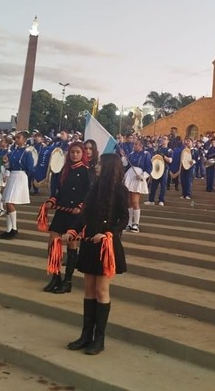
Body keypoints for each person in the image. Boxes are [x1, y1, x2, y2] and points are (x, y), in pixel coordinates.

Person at [67, 153, 129, 355]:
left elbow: (123, 219)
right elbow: (85, 213)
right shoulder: (94, 188)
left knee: (101, 290)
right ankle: (86, 335)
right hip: (90, 244)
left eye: (101, 163)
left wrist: (108, 233)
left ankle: (99, 339)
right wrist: (73, 230)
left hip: (106, 245)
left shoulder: (120, 190)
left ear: (109, 166)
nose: (97, 166)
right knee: (88, 290)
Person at [45, 142, 91, 293]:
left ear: (82, 153)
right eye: (72, 152)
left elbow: (89, 193)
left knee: (72, 246)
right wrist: (53, 200)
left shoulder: (86, 172)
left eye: (77, 152)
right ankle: (55, 276)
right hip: (62, 212)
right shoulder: (64, 170)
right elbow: (59, 190)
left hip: (76, 215)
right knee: (53, 243)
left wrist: (81, 206)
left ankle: (68, 281)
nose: (74, 155)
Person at [0, 131, 34, 240]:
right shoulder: (12, 152)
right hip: (13, 175)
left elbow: (30, 168)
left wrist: (25, 177)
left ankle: (14, 228)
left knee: (10, 203)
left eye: (19, 138)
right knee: (8, 203)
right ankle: (9, 229)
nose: (16, 139)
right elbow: (9, 166)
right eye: (16, 138)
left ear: (25, 139)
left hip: (20, 176)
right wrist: (5, 162)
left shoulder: (27, 152)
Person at [123, 138, 152, 232]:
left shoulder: (146, 154)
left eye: (136, 144)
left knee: (135, 201)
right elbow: (126, 165)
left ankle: (136, 224)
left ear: (141, 146)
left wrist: (143, 176)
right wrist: (124, 157)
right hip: (130, 177)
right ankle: (129, 222)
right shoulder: (131, 154)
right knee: (129, 202)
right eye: (134, 144)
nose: (134, 146)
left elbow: (149, 168)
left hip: (138, 177)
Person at [146, 136, 172, 205]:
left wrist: (164, 156)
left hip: (164, 169)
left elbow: (170, 160)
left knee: (163, 185)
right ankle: (151, 200)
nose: (163, 140)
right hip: (156, 169)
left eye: (165, 139)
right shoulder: (158, 149)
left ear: (168, 141)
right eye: (163, 139)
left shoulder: (169, 150)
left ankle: (161, 200)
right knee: (153, 185)